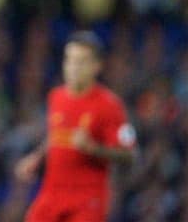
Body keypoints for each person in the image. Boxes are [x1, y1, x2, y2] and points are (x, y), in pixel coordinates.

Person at [15, 31, 137, 222]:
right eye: (69, 60)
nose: (73, 68)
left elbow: (129, 155)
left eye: (81, 62)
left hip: (88, 199)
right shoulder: (56, 97)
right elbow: (56, 135)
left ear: (97, 66)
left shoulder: (111, 105)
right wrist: (37, 158)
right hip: (52, 193)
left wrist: (94, 149)